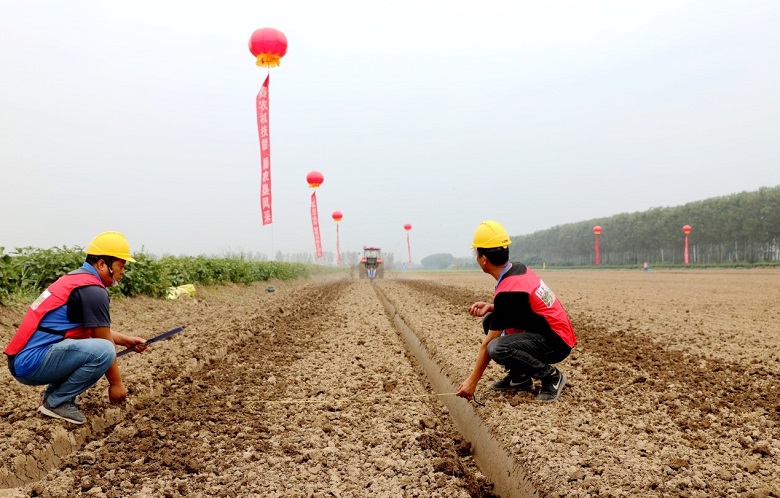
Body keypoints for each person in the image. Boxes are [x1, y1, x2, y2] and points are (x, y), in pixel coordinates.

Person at [4, 231, 148, 424]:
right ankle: (57, 402)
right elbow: (103, 340)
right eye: (121, 265)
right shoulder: (93, 291)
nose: (123, 271)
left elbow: (95, 330)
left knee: (92, 345)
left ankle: (52, 397)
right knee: (104, 350)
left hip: (25, 358)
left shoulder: (76, 280)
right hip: (31, 362)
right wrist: (116, 384)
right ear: (102, 264)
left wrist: (126, 340)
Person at [456, 221, 577, 403]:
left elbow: (488, 343)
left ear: (483, 259)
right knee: (490, 320)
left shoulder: (509, 291)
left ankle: (551, 376)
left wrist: (472, 381)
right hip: (551, 331)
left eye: (477, 253)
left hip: (556, 342)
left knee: (497, 347)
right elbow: (521, 306)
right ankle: (520, 377)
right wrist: (492, 307)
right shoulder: (517, 269)